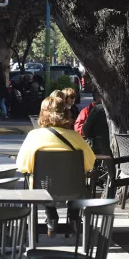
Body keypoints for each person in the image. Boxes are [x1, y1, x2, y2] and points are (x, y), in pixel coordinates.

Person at [16, 96, 96, 236]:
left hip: (42, 190)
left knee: (42, 183)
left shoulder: (33, 136)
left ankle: (51, 214)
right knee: (77, 183)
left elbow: (23, 166)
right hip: (74, 188)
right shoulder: (75, 137)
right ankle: (74, 218)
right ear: (66, 114)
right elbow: (89, 164)